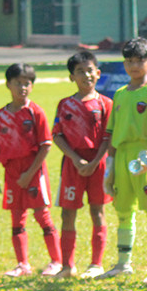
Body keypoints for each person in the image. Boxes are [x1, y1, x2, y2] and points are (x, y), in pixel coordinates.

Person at [100, 37, 147, 283]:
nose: (134, 66)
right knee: (123, 211)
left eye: (139, 61)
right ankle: (122, 264)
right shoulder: (118, 95)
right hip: (121, 157)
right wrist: (110, 166)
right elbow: (111, 132)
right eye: (129, 61)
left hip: (144, 156)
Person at [0, 63, 62, 277]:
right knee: (16, 218)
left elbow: (46, 146)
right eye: (17, 83)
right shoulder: (0, 115)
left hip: (33, 171)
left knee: (42, 215)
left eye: (26, 83)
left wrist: (29, 174)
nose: (22, 88)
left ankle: (56, 261)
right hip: (12, 172)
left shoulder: (35, 112)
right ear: (8, 85)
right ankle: (22, 264)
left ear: (32, 86)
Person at [51, 51, 112, 279]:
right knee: (68, 214)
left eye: (89, 70)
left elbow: (108, 137)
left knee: (97, 211)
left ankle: (96, 264)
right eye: (80, 71)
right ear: (71, 77)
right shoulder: (65, 105)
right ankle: (67, 266)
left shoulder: (106, 104)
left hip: (98, 164)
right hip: (72, 165)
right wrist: (76, 159)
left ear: (97, 73)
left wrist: (95, 161)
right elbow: (57, 135)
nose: (86, 75)